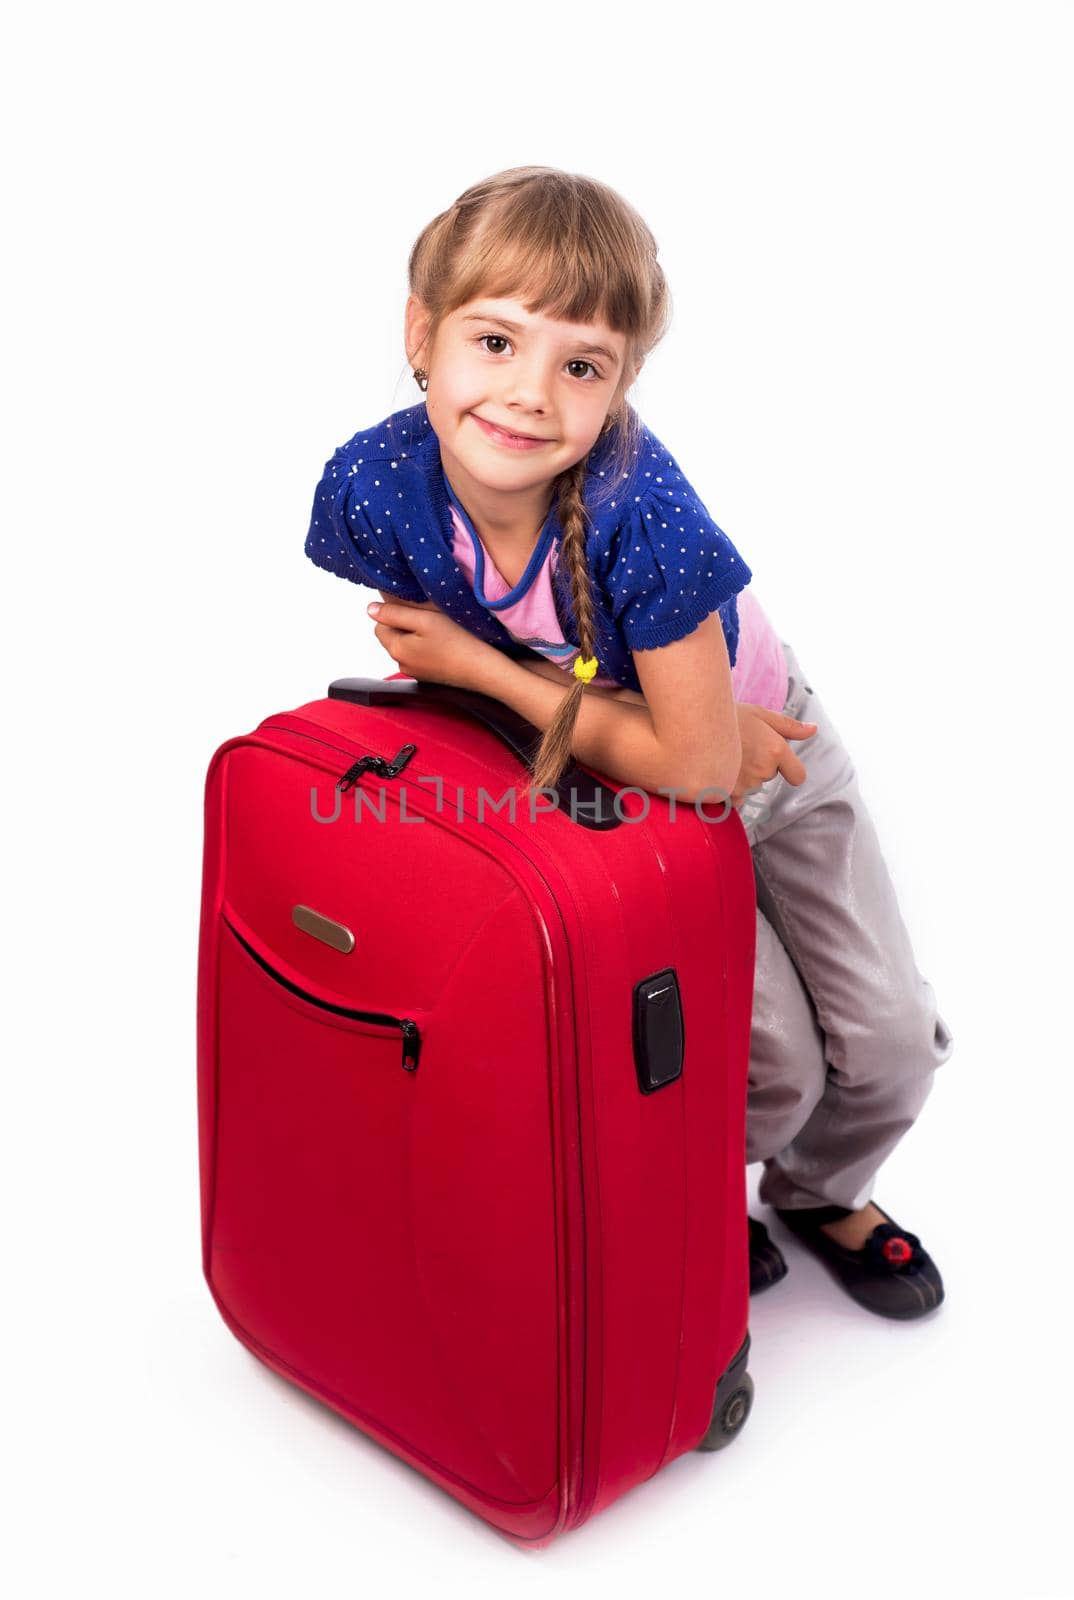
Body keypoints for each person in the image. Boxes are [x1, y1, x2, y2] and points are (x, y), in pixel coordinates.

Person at [304, 166, 954, 1320]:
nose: (530, 397)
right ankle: (699, 1187)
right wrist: (636, 725)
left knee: (891, 1043)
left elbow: (708, 764)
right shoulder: (376, 483)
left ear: (623, 383)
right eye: (495, 341)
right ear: (421, 332)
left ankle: (817, 1191)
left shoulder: (638, 506)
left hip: (774, 756)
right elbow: (474, 705)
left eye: (581, 365)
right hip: (629, 794)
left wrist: (503, 674)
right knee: (775, 1065)